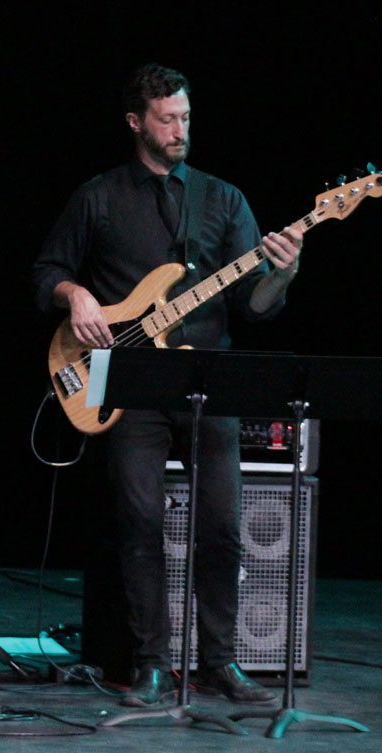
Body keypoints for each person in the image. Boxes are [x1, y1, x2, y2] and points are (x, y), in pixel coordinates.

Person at [31, 63, 302, 708]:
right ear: (136, 122)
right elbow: (47, 271)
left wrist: (283, 275)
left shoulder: (223, 200)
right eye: (166, 118)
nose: (180, 129)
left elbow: (255, 309)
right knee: (139, 524)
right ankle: (150, 662)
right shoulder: (98, 196)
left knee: (223, 528)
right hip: (130, 387)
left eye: (185, 116)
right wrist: (77, 297)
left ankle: (221, 661)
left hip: (210, 383)